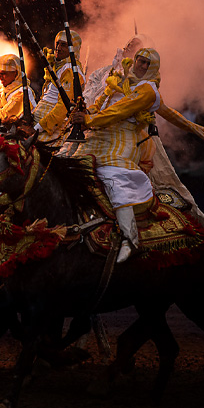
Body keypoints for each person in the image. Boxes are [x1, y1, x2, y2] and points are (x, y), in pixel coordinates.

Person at [70, 47, 162, 263]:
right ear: (135, 60)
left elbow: (119, 111)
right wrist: (84, 112)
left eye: (149, 64)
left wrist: (89, 120)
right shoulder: (119, 79)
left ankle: (130, 239)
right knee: (71, 168)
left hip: (123, 140)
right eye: (141, 61)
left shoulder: (148, 90)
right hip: (98, 135)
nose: (143, 66)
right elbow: (103, 105)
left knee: (114, 179)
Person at [32, 30, 86, 142]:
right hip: (39, 119)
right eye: (57, 43)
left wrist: (37, 129)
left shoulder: (70, 70)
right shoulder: (62, 66)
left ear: (73, 49)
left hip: (49, 126)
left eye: (64, 45)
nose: (58, 48)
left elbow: (63, 107)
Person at [0, 54, 37, 122]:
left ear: (15, 73)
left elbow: (2, 116)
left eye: (3, 74)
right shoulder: (7, 90)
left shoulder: (22, 93)